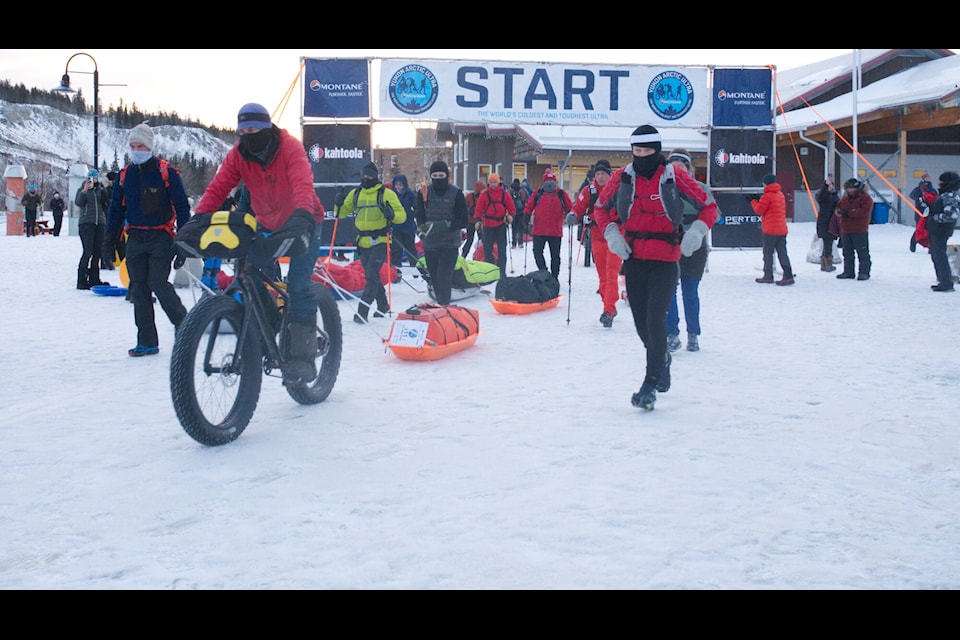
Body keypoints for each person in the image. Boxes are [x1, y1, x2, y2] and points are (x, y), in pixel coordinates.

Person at [194, 104, 324, 382]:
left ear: (267, 129)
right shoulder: (239, 155)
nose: (247, 136)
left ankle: (303, 360)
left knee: (298, 286)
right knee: (248, 275)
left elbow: (303, 183)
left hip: (305, 220)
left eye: (253, 130)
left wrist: (303, 214)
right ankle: (272, 322)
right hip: (266, 223)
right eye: (242, 131)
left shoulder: (290, 148)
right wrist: (198, 219)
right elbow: (218, 188)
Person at [593, 124, 718, 411]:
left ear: (657, 151)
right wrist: (612, 233)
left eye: (647, 151)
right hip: (634, 257)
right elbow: (600, 208)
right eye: (637, 151)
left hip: (666, 259)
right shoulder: (622, 177)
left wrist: (697, 231)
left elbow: (709, 206)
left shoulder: (674, 177)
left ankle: (650, 384)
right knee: (640, 324)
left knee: (655, 319)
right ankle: (662, 359)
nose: (642, 156)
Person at [104, 123, 190, 357]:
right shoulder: (125, 175)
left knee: (158, 283)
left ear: (149, 146)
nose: (136, 150)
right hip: (135, 237)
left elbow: (182, 207)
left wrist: (183, 241)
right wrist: (109, 239)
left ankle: (185, 328)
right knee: (139, 288)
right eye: (132, 146)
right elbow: (115, 209)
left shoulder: (166, 173)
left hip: (161, 236)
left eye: (140, 145)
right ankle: (147, 341)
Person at [664, 150, 718, 352]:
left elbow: (715, 213)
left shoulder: (700, 188)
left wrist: (695, 228)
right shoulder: (664, 189)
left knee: (690, 292)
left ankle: (693, 334)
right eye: (674, 163)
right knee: (669, 291)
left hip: (695, 249)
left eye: (682, 163)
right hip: (669, 246)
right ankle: (672, 334)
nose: (678, 166)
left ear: (689, 167)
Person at [338, 161, 405, 323]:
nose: (365, 178)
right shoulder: (356, 194)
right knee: (372, 276)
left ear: (375, 177)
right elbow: (341, 213)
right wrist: (338, 203)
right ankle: (383, 305)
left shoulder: (386, 194)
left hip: (380, 241)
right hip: (362, 242)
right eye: (363, 176)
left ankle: (362, 311)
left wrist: (391, 215)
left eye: (369, 176)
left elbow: (401, 215)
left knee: (371, 275)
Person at [567, 159, 621, 327]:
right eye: (597, 174)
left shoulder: (617, 190)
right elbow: (578, 206)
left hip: (615, 239)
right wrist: (573, 215)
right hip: (597, 238)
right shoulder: (588, 191)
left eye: (603, 173)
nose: (600, 177)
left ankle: (608, 310)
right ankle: (610, 307)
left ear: (609, 175)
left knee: (611, 275)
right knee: (602, 277)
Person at [415, 160, 469, 305]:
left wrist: (446, 225)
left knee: (444, 276)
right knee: (434, 277)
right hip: (430, 244)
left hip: (449, 243)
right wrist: (420, 228)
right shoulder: (423, 193)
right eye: (435, 175)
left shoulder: (456, 193)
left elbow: (463, 219)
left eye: (441, 175)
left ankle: (444, 305)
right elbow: (420, 215)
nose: (438, 178)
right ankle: (440, 303)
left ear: (446, 175)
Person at [524, 168, 572, 280]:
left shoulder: (561, 194)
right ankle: (544, 271)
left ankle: (554, 277)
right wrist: (526, 214)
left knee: (555, 256)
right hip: (540, 230)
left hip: (554, 231)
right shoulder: (538, 193)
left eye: (551, 181)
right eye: (547, 181)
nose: (549, 183)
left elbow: (570, 207)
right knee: (537, 252)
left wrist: (571, 215)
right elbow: (529, 205)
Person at [750, 173, 795, 286]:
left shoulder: (767, 196)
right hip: (781, 229)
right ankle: (788, 275)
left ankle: (768, 275)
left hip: (770, 230)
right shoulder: (780, 194)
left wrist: (753, 201)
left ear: (766, 183)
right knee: (782, 253)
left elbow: (759, 210)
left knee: (768, 253)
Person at [473, 173, 514, 278]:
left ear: (498, 182)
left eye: (494, 182)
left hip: (501, 225)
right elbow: (478, 210)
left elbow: (512, 208)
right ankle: (490, 271)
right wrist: (478, 220)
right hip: (488, 226)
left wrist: (510, 216)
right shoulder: (484, 195)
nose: (493, 184)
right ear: (488, 183)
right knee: (487, 250)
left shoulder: (505, 194)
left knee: (502, 250)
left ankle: (501, 272)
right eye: (491, 182)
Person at [75, 171, 111, 289]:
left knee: (97, 252)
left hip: (99, 223)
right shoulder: (82, 190)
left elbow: (106, 201)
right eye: (91, 178)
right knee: (88, 251)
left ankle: (94, 279)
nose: (93, 180)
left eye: (95, 178)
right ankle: (81, 280)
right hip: (86, 223)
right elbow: (79, 203)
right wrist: (85, 190)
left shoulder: (100, 190)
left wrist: (103, 188)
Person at [926, 171, 960, 292]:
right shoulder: (947, 194)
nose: (939, 184)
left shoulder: (950, 195)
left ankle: (946, 282)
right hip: (937, 229)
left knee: (940, 256)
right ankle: (942, 280)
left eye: (941, 182)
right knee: (936, 255)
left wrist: (935, 218)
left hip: (941, 230)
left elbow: (952, 214)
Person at [835, 177, 874, 280]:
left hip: (860, 230)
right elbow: (838, 206)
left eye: (852, 188)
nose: (850, 190)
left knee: (862, 252)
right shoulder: (845, 198)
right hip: (846, 230)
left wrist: (848, 213)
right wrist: (838, 211)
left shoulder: (866, 198)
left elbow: (865, 211)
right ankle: (848, 272)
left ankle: (864, 272)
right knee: (847, 253)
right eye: (848, 189)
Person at [390, 174, 419, 268]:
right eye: (396, 184)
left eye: (400, 184)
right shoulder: (391, 195)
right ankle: (396, 270)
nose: (398, 187)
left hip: (408, 226)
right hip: (396, 226)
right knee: (396, 249)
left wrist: (412, 214)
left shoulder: (410, 195)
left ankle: (415, 269)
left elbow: (416, 207)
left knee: (410, 248)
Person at [909, 171, 938, 252]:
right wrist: (919, 200)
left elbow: (936, 197)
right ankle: (913, 243)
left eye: (929, 178)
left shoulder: (932, 189)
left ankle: (930, 247)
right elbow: (912, 195)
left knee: (930, 230)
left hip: (929, 213)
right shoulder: (919, 189)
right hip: (920, 212)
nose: (928, 179)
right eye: (926, 178)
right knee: (919, 229)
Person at [815, 174, 839, 272]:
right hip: (824, 222)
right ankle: (827, 264)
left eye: (831, 185)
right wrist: (825, 185)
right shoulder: (822, 196)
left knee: (828, 242)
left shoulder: (834, 195)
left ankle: (825, 264)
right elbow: (821, 196)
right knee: (827, 242)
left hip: (832, 221)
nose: (830, 187)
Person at [461, 180, 485, 258]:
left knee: (482, 240)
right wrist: (469, 211)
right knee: (470, 240)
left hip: (479, 222)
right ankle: (464, 256)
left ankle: (481, 255)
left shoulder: (483, 197)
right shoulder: (469, 196)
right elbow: (463, 208)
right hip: (471, 221)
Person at [509, 178, 528, 248]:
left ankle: (514, 243)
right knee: (521, 228)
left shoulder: (510, 191)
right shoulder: (523, 191)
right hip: (521, 212)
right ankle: (520, 243)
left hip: (513, 212)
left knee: (514, 229)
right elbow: (527, 200)